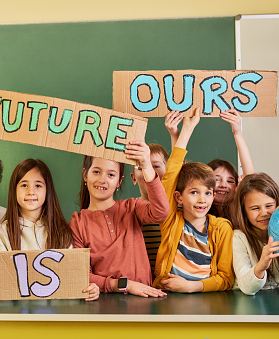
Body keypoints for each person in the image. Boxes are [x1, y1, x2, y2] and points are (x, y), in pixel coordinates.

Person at [0, 159, 99, 303]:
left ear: (47, 190)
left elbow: (73, 275)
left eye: (38, 185)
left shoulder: (61, 232)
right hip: (17, 314)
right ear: (14, 190)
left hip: (56, 315)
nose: (31, 191)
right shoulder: (3, 232)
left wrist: (88, 288)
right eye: (24, 185)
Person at [70, 140, 169, 297]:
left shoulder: (132, 207)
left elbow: (161, 212)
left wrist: (146, 166)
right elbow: (82, 274)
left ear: (119, 182)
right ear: (85, 175)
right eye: (96, 172)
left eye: (111, 175)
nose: (103, 180)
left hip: (146, 300)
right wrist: (125, 285)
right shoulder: (78, 222)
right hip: (106, 302)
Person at [153, 109, 234, 293]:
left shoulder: (222, 228)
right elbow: (171, 175)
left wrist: (191, 287)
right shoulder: (171, 221)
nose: (201, 199)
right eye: (194, 192)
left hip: (207, 301)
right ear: (178, 197)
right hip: (167, 298)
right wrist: (187, 129)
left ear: (214, 196)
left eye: (207, 193)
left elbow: (225, 278)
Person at [231, 173, 279, 295]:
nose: (264, 213)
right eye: (255, 208)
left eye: (269, 206)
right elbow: (246, 287)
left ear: (278, 205)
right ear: (243, 211)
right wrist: (261, 265)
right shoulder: (239, 238)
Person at [130, 143, 169, 273]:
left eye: (156, 166)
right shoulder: (130, 210)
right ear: (133, 178)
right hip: (143, 282)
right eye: (141, 167)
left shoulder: (181, 207)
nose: (149, 171)